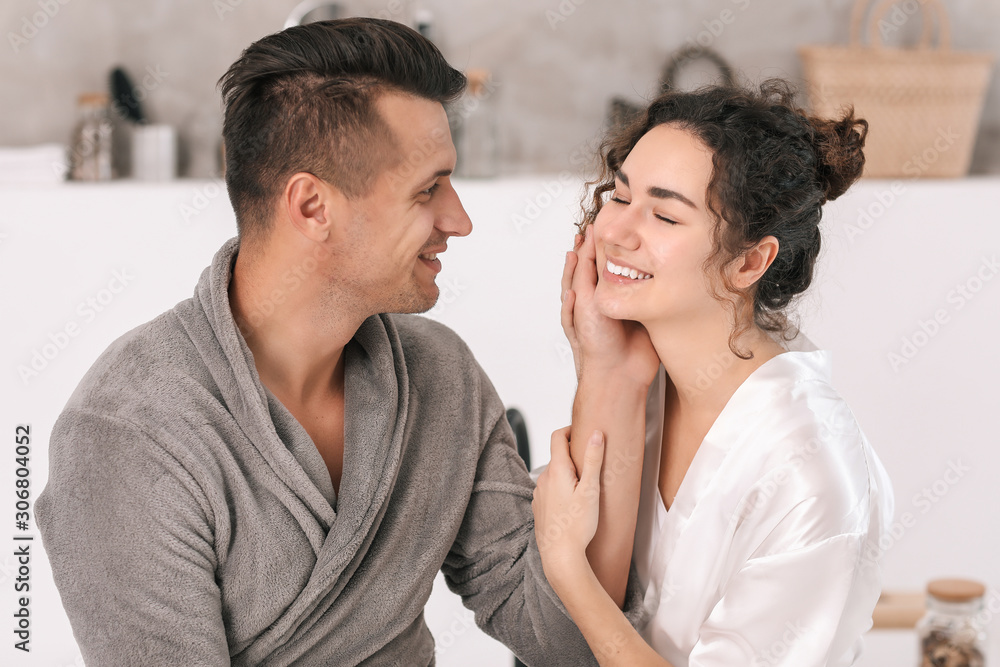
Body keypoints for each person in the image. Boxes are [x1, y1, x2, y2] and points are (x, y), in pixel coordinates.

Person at [36, 19, 643, 666]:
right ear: (312, 207)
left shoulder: (441, 375)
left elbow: (564, 643)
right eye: (428, 188)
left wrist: (611, 374)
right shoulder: (129, 430)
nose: (459, 220)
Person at [531, 80, 894, 666]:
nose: (615, 233)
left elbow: (579, 589)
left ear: (749, 261)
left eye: (666, 217)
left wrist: (566, 567)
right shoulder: (641, 382)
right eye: (620, 198)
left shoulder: (812, 473)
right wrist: (605, 372)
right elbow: (575, 648)